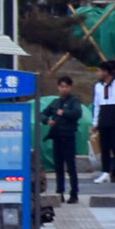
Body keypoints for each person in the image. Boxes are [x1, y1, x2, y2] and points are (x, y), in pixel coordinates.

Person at [41, 76, 86, 204]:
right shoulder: (55, 102)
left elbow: (77, 113)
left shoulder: (74, 101)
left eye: (66, 86)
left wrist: (64, 113)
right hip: (57, 137)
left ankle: (74, 193)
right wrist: (47, 120)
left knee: (71, 167)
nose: (64, 89)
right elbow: (42, 114)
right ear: (58, 87)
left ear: (70, 87)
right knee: (58, 167)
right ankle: (59, 192)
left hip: (69, 137)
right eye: (61, 86)